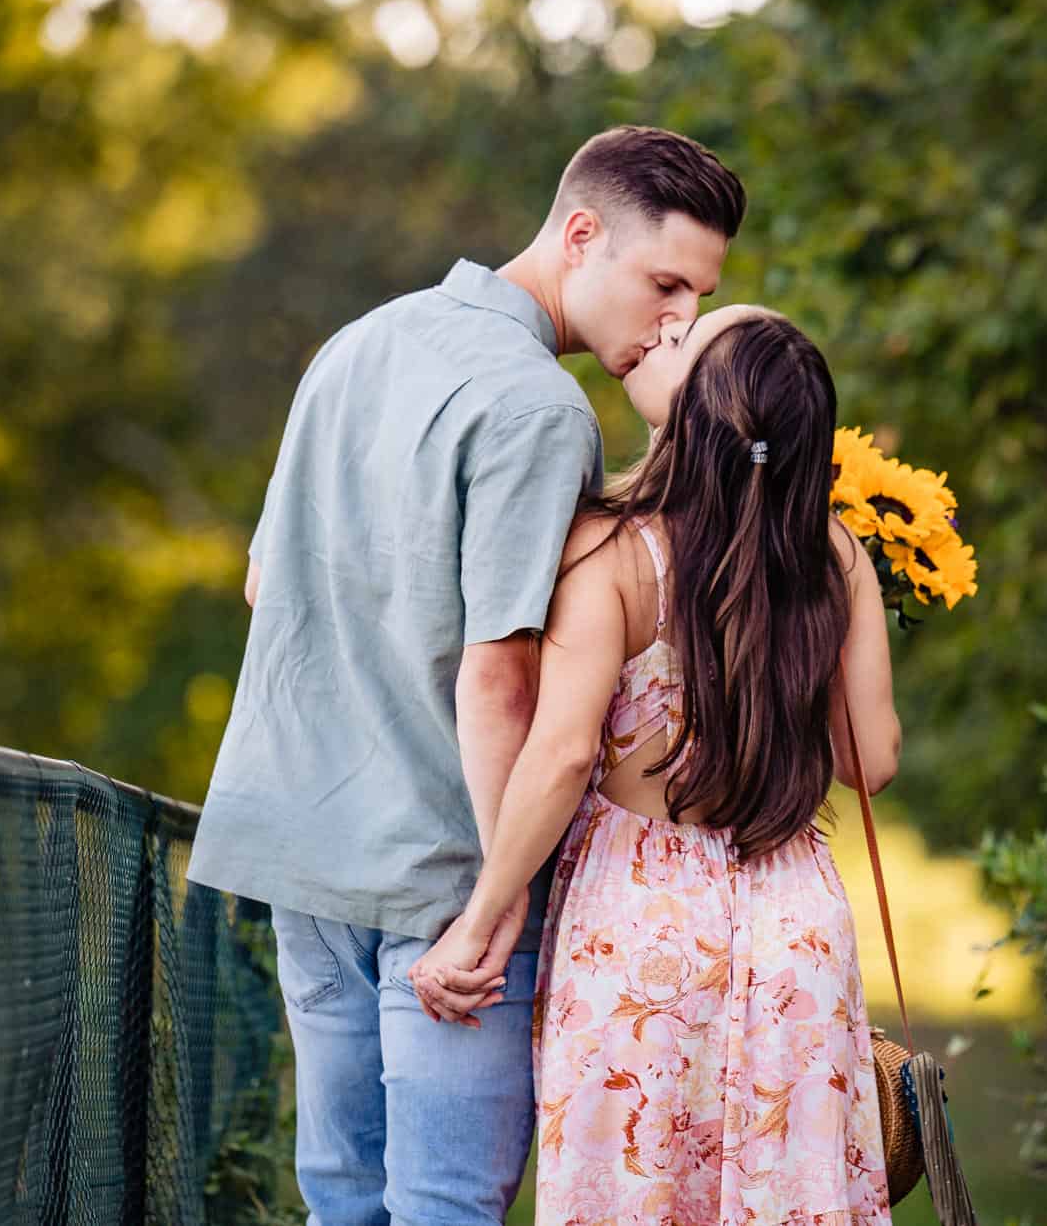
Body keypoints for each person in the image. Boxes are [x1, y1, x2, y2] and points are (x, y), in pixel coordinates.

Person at [188, 126, 746, 1226]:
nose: (677, 321)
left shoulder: (358, 342)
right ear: (580, 234)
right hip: (446, 859)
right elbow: (497, 680)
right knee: (446, 1204)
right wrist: (502, 902)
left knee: (339, 1199)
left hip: (300, 843)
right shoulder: (541, 412)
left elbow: (267, 580)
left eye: (698, 296)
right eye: (665, 282)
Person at [413, 306, 902, 1223]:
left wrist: (482, 917)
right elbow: (868, 759)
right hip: (794, 919)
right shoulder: (834, 556)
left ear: (693, 412)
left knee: (634, 1190)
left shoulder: (614, 550)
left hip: (640, 929)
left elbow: (559, 754)